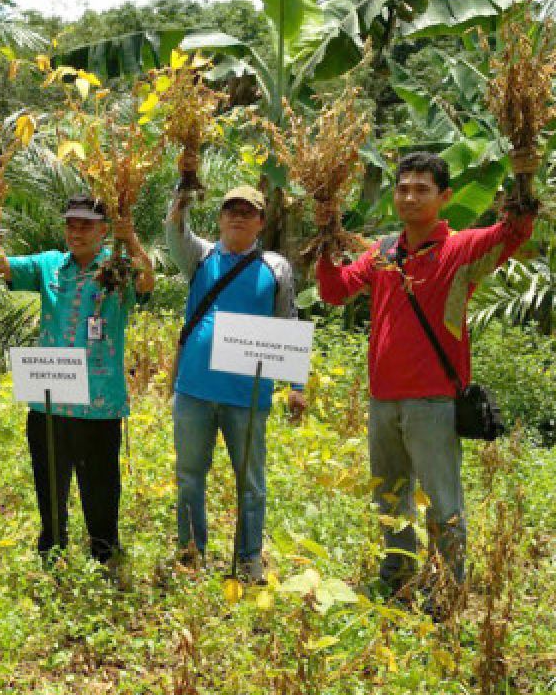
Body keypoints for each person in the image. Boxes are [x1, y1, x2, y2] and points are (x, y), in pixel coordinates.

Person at [316, 151, 535, 601]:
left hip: (434, 401)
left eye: (422, 189)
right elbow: (336, 292)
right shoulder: (382, 253)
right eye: (403, 188)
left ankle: (446, 591)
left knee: (441, 502)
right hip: (383, 400)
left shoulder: (459, 249)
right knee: (390, 497)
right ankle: (396, 576)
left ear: (445, 196)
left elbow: (512, 233)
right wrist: (324, 242)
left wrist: (524, 178)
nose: (410, 196)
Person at [0, 195, 155, 566]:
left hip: (99, 401)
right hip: (50, 396)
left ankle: (104, 550)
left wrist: (131, 240)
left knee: (100, 484)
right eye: (71, 224)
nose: (76, 232)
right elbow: (0, 266)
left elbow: (146, 285)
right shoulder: (49, 265)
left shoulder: (118, 267)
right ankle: (52, 545)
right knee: (49, 478)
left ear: (103, 230)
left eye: (86, 225)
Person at [166, 185, 306, 581]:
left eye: (248, 211)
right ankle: (191, 554)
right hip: (193, 390)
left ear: (261, 222)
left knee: (250, 483)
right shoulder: (201, 256)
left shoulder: (276, 268)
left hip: (246, 395)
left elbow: (287, 322)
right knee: (190, 476)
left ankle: (247, 560)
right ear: (220, 218)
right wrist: (184, 188)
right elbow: (174, 231)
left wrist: (296, 384)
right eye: (231, 210)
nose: (238, 217)